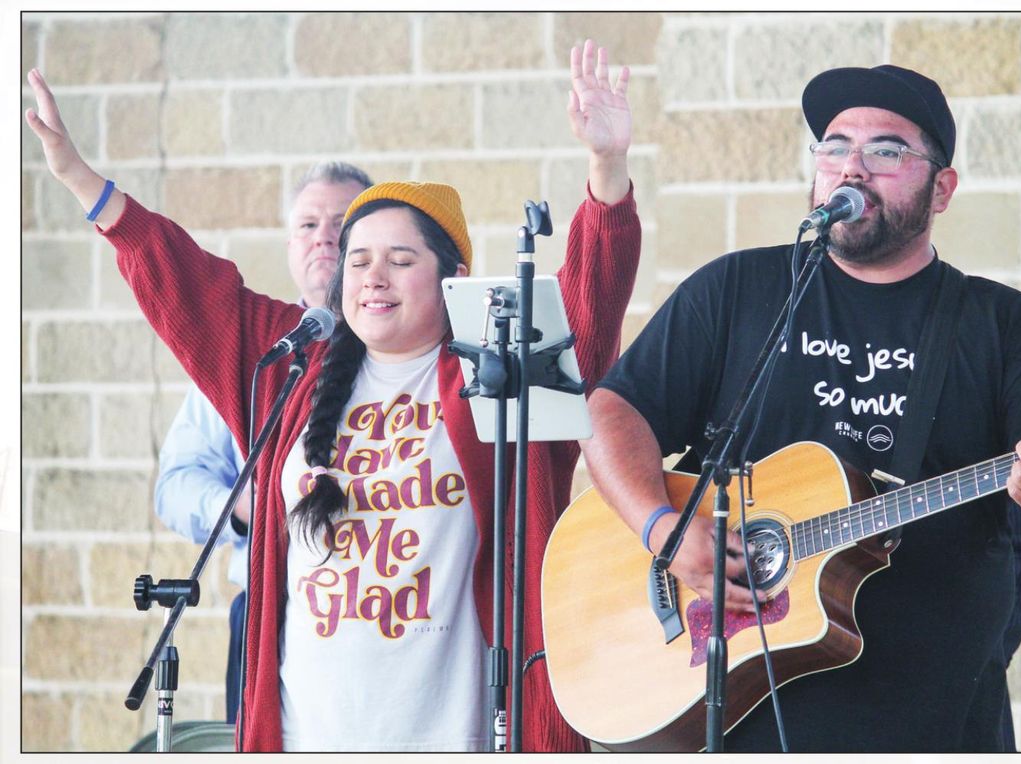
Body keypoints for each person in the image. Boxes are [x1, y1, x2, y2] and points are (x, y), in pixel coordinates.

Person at [26, 38, 641, 752]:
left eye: (400, 259)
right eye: (358, 260)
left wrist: (607, 169)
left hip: (460, 734)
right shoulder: (294, 364)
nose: (372, 277)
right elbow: (184, 283)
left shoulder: (496, 362)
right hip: (308, 731)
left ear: (454, 276)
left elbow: (591, 301)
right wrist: (80, 181)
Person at [582, 64, 1021, 752]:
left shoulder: (1003, 326)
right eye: (833, 147)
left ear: (941, 187)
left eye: (886, 151)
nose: (852, 167)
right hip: (728, 698)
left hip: (929, 710)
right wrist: (665, 532)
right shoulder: (737, 289)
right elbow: (610, 414)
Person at [153, 160, 371, 725]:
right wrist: (252, 507)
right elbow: (176, 486)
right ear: (288, 243)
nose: (323, 236)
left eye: (342, 224)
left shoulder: (405, 352)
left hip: (379, 609)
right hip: (266, 608)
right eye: (307, 225)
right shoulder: (254, 357)